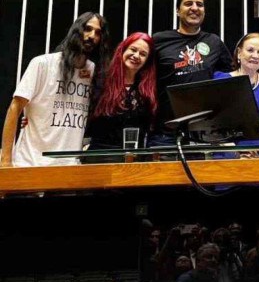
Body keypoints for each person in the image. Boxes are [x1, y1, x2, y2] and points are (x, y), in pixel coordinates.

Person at [1, 12, 106, 167]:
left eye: (98, 33)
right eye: (87, 29)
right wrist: (5, 161)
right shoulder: (42, 64)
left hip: (70, 166)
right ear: (76, 30)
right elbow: (15, 108)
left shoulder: (94, 71)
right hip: (31, 162)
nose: (92, 36)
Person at [150, 0, 232, 146]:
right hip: (164, 134)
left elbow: (230, 80)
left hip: (202, 134)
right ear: (177, 10)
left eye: (199, 4)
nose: (195, 8)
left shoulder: (214, 42)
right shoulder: (159, 40)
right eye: (188, 4)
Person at [86, 32, 157, 150]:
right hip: (100, 156)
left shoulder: (148, 89)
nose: (136, 56)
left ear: (147, 61)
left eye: (143, 54)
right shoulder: (101, 80)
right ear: (123, 50)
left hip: (134, 158)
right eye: (133, 49)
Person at [214, 33, 259, 145]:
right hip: (227, 154)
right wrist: (237, 153)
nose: (255, 55)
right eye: (250, 50)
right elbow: (217, 126)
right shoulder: (221, 80)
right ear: (239, 53)